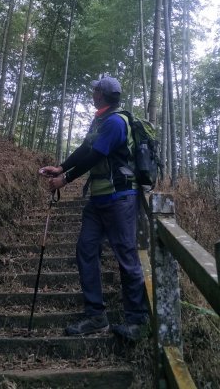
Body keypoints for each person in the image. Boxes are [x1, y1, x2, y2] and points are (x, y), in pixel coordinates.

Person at [39, 76, 149, 341]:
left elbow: (95, 156)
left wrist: (64, 180)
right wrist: (62, 167)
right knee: (85, 250)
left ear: (102, 95)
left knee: (126, 257)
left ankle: (137, 321)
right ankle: (96, 316)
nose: (92, 94)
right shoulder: (100, 121)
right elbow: (84, 149)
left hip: (120, 199)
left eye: (95, 91)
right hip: (98, 201)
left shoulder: (114, 122)